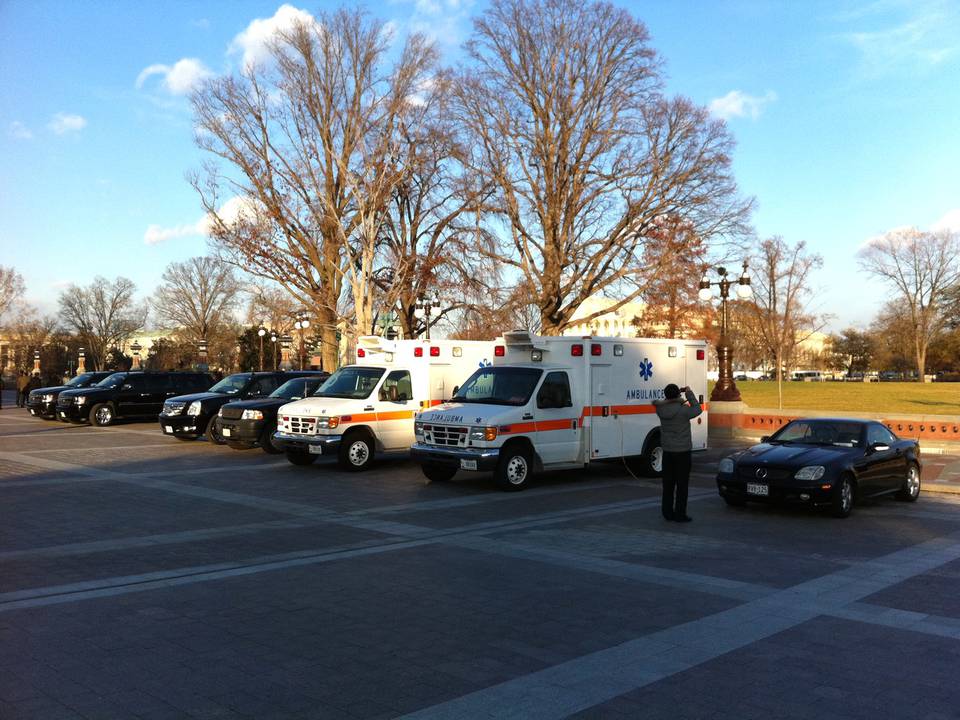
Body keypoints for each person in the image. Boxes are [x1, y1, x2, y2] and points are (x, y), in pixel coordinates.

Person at [653, 383, 703, 522]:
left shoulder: (661, 410)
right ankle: (680, 514)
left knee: (668, 484)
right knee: (682, 485)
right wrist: (689, 393)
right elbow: (698, 409)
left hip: (668, 451)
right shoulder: (683, 410)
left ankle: (667, 512)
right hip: (682, 452)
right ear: (677, 394)